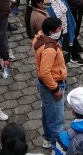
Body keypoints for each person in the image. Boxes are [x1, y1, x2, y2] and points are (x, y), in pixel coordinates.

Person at [33, 17, 68, 150]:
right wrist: (55, 89)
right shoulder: (50, 49)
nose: (62, 29)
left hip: (44, 85)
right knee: (57, 120)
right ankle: (57, 148)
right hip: (52, 86)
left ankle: (47, 138)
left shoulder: (40, 37)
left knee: (48, 113)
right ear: (51, 31)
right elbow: (44, 73)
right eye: (59, 28)